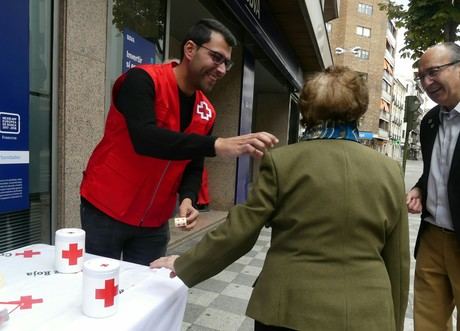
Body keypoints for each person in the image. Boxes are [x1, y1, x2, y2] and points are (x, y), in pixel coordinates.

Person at [151, 66, 409, 331]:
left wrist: (184, 264)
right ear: (360, 109)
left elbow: (239, 232)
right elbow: (398, 259)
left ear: (307, 110)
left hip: (288, 308)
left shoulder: (282, 162)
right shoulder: (389, 171)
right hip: (368, 312)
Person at [79, 18, 278, 266]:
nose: (222, 70)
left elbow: (193, 163)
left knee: (146, 293)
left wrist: (187, 198)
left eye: (227, 62)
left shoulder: (207, 110)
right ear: (190, 49)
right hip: (106, 209)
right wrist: (217, 144)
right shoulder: (142, 80)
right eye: (216, 58)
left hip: (154, 222)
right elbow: (145, 139)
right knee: (97, 290)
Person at [406, 42, 460, 331]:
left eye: (434, 72)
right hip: (431, 239)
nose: (427, 82)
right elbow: (436, 171)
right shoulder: (430, 120)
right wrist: (419, 188)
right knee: (428, 323)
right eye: (421, 76)